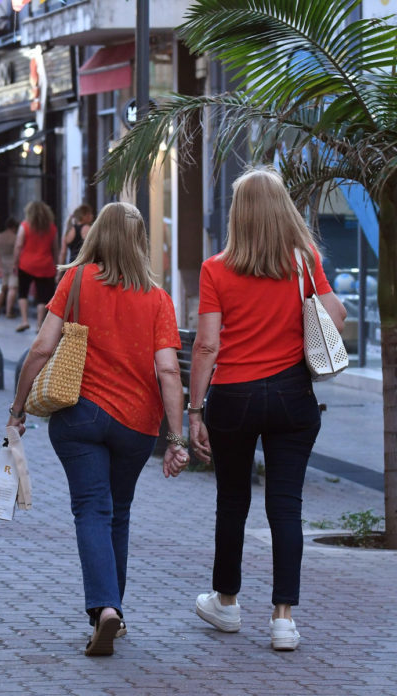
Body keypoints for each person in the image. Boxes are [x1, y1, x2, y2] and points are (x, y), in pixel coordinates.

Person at [8, 202, 189, 656]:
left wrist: (18, 408)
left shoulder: (76, 280)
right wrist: (176, 437)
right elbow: (169, 371)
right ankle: (114, 612)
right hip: (136, 424)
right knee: (118, 511)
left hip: (80, 416)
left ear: (97, 236)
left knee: (92, 509)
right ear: (140, 241)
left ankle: (104, 609)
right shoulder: (158, 299)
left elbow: (41, 347)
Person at [188, 167, 347, 651]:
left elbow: (207, 345)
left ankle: (227, 603)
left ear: (238, 214)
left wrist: (194, 410)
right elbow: (337, 315)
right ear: (282, 211)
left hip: (232, 397)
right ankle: (283, 619)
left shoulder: (216, 268)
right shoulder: (304, 260)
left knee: (232, 501)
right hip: (291, 396)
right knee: (286, 504)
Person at [14, 201, 59, 333]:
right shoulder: (52, 228)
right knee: (43, 296)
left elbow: (18, 245)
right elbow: (55, 248)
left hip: (26, 264)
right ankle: (39, 324)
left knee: (23, 292)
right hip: (45, 265)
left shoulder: (25, 226)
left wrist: (15, 262)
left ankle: (24, 320)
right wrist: (56, 264)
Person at [0, 216, 19, 319]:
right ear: (14, 227)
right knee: (12, 288)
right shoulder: (15, 237)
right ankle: (9, 312)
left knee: (0, 288)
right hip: (13, 265)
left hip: (0, 265)